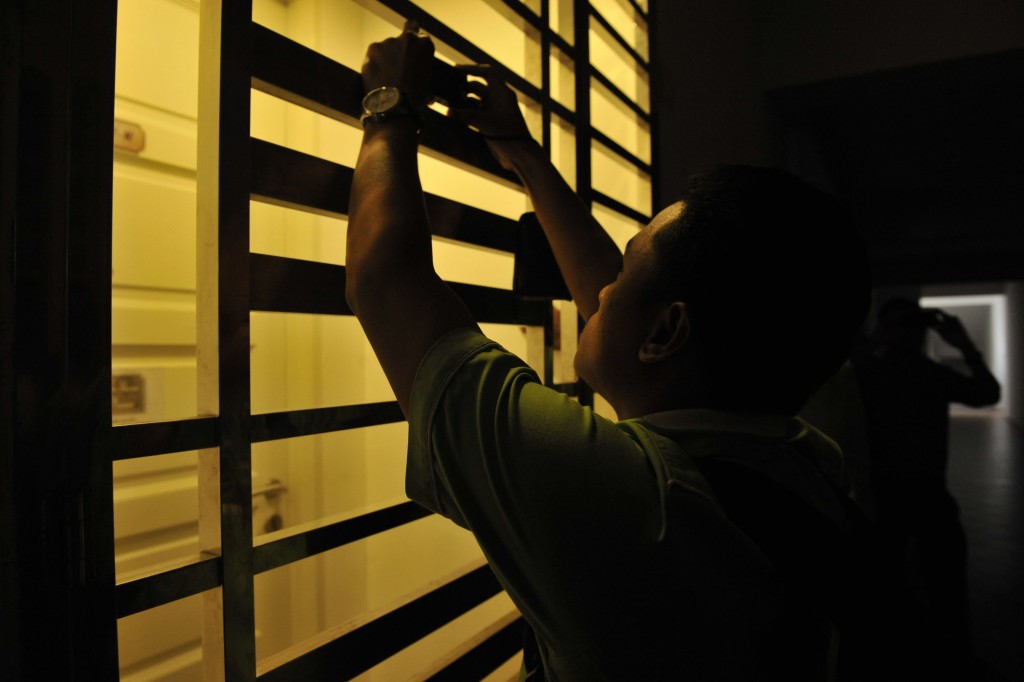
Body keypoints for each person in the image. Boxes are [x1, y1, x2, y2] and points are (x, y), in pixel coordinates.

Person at [346, 23, 876, 680]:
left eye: (627, 269)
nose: (603, 288)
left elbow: (388, 283)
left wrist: (388, 108)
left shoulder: (634, 503)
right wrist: (522, 155)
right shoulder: (804, 457)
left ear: (664, 335)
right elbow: (618, 312)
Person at [853, 297, 1001, 675]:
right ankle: (954, 660)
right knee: (943, 587)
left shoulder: (872, 372)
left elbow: (987, 396)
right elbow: (987, 393)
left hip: (888, 496)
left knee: (889, 587)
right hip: (918, 494)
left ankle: (893, 661)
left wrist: (874, 341)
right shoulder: (910, 373)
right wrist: (964, 345)